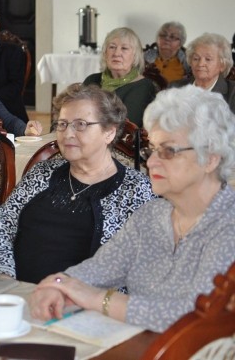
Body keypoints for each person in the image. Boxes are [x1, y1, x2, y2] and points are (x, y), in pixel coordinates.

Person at [30, 85, 235, 332]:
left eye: (168, 151)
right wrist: (58, 284)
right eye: (152, 149)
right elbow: (98, 268)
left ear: (211, 158)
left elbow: (193, 316)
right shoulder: (152, 216)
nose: (151, 162)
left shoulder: (228, 223)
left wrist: (99, 299)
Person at [0, 83, 155, 283]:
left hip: (86, 307)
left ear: (109, 132)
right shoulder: (41, 174)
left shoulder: (136, 190)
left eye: (80, 124)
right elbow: (0, 228)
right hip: (18, 298)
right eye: (62, 124)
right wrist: (3, 277)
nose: (68, 133)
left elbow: (143, 269)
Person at [83, 27, 158, 127]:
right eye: (112, 47)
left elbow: (127, 126)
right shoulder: (92, 80)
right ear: (105, 53)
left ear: (135, 56)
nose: (117, 53)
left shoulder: (143, 87)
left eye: (124, 48)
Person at [170, 33, 235, 113]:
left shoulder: (232, 93)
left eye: (208, 59)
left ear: (222, 65)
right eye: (196, 58)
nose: (200, 64)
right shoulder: (174, 87)